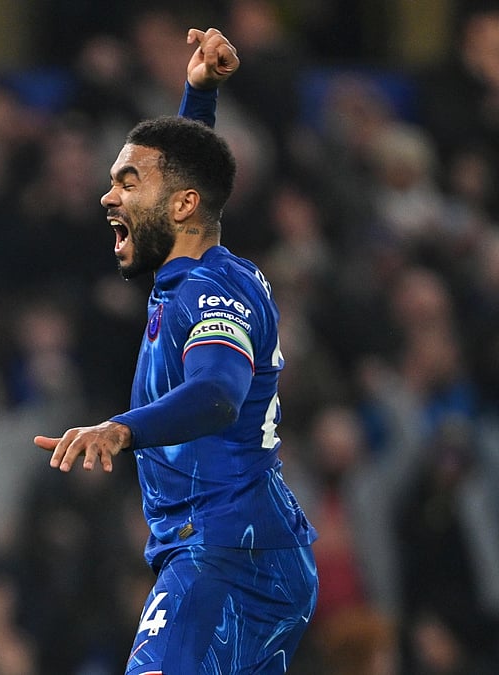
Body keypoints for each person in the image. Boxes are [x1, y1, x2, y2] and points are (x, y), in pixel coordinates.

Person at [33, 29, 319, 675]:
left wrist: (120, 429)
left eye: (127, 182)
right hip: (240, 549)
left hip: (225, 551)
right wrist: (198, 95)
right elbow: (189, 178)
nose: (110, 196)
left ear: (181, 205)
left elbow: (217, 394)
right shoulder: (200, 267)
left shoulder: (210, 291)